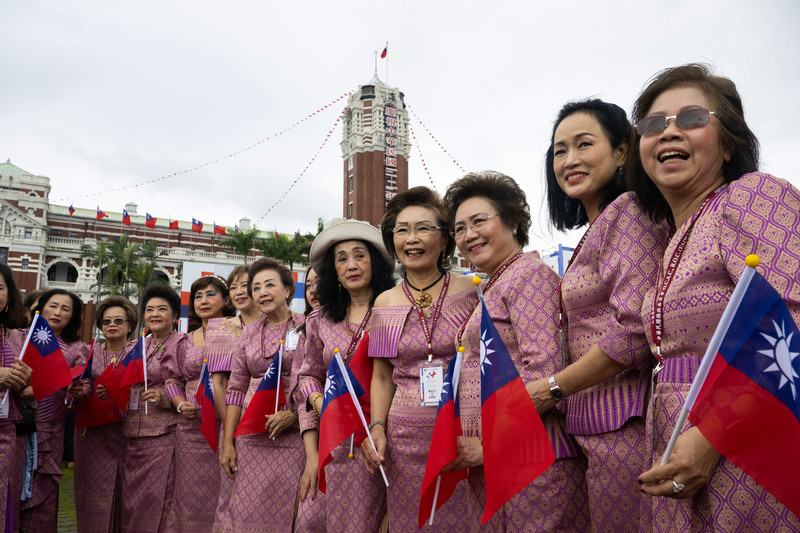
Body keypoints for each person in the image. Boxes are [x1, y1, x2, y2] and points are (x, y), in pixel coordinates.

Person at [628, 63, 800, 530]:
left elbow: (793, 328)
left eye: (689, 119)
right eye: (652, 124)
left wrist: (712, 436)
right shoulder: (674, 239)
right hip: (673, 439)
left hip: (745, 439)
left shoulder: (751, 196)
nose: (667, 132)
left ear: (729, 145)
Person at [526, 99, 669, 531]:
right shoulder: (601, 223)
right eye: (559, 151)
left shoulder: (626, 212)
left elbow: (633, 330)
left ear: (623, 151)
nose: (569, 160)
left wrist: (549, 389)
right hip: (594, 421)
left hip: (625, 419)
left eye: (584, 144)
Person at [442, 171, 589, 531]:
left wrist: (488, 444)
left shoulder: (529, 276)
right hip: (499, 457)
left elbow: (543, 369)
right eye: (459, 229)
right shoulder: (496, 284)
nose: (468, 235)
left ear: (512, 220)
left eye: (479, 221)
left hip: (532, 457)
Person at [361, 186, 479, 531]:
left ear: (444, 240)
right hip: (403, 439)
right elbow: (382, 376)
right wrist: (377, 427)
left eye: (423, 228)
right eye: (402, 230)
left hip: (461, 431)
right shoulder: (384, 303)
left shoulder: (472, 290)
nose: (411, 238)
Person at [297, 219, 395, 532]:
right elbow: (307, 374)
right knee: (316, 520)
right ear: (333, 270)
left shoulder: (393, 309)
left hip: (383, 439)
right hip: (336, 440)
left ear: (375, 262)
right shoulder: (319, 320)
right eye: (341, 258)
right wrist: (321, 401)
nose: (351, 265)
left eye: (359, 255)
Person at [220, 258, 306, 531]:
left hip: (297, 436)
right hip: (251, 436)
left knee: (291, 511)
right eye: (256, 288)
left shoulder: (308, 326)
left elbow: (319, 380)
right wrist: (229, 442)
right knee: (246, 510)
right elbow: (235, 389)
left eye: (270, 285)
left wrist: (294, 415)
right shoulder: (248, 334)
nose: (262, 292)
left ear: (288, 291)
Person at [166, 276, 234, 532]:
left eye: (210, 294)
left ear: (226, 300)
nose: (203, 301)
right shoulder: (184, 341)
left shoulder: (238, 330)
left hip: (229, 418)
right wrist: (181, 404)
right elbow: (172, 379)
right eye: (198, 296)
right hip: (191, 429)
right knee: (189, 494)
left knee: (226, 489)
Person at [20, 289, 88, 532]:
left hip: (48, 433)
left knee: (43, 501)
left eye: (66, 309)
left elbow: (84, 386)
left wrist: (77, 393)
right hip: (11, 430)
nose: (58, 313)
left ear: (73, 316)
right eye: (53, 305)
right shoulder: (18, 338)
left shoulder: (77, 349)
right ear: (41, 307)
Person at [122, 284, 186, 533]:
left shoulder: (182, 344)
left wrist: (167, 399)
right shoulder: (135, 346)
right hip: (132, 434)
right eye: (149, 310)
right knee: (132, 502)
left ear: (175, 315)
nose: (155, 314)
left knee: (159, 499)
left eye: (162, 309)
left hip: (164, 434)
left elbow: (189, 385)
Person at [203, 266, 261, 533]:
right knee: (233, 496)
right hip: (235, 421)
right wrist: (232, 429)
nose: (239, 291)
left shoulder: (286, 324)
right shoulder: (222, 327)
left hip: (272, 420)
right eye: (233, 287)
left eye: (245, 285)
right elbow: (219, 383)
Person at [73, 295, 138, 532]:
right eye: (107, 320)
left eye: (119, 320)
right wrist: (79, 390)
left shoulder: (139, 354)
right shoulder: (87, 351)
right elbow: (81, 383)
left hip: (127, 435)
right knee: (92, 497)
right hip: (92, 438)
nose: (112, 325)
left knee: (126, 495)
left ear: (130, 325)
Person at [0, 264, 32, 533]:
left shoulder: (13, 337)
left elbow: (19, 393)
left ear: (9, 296)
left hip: (6, 433)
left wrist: (23, 381)